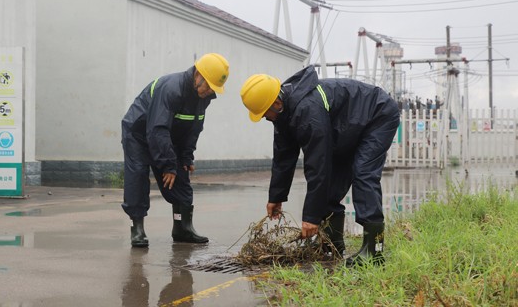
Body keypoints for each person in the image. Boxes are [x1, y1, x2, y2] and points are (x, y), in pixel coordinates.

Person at [239, 66, 400, 266]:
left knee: (363, 173)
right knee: (330, 189)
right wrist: (276, 197)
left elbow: (318, 165)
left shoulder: (307, 110)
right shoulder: (284, 113)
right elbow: (283, 156)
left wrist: (311, 217)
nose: (265, 118)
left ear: (276, 103)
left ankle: (374, 251)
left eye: (264, 113)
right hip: (348, 129)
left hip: (377, 115)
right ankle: (332, 245)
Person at [121, 53, 229, 248]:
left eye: (214, 88)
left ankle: (182, 228)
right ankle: (137, 229)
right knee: (137, 176)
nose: (209, 91)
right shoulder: (171, 89)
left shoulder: (202, 96)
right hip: (138, 134)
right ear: (198, 75)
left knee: (181, 176)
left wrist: (186, 156)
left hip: (165, 135)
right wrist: (168, 165)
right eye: (208, 86)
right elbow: (157, 129)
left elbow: (194, 127)